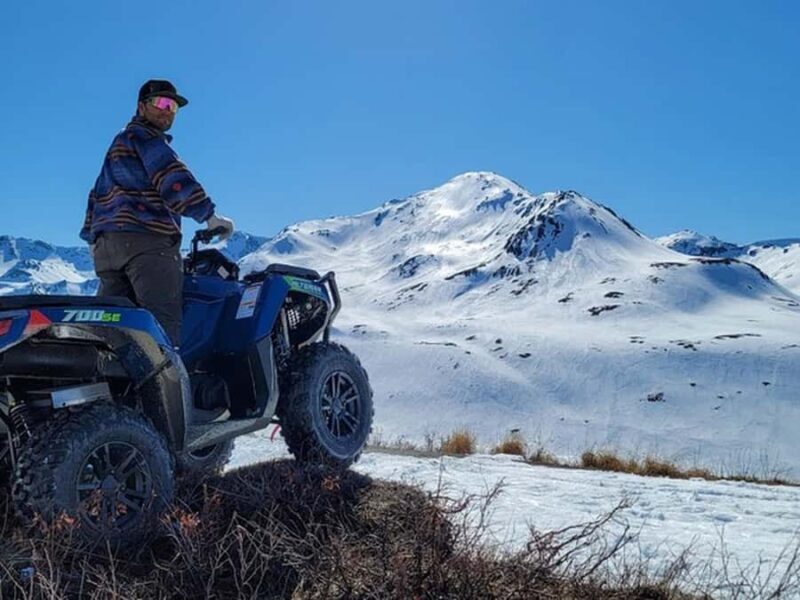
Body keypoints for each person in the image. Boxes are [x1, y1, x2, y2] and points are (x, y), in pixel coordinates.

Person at [80, 79, 234, 346]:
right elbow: (173, 179)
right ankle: (168, 387)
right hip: (147, 243)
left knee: (112, 327)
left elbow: (96, 193)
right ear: (141, 107)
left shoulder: (119, 143)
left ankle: (112, 384)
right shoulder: (145, 138)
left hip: (108, 251)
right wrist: (209, 216)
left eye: (173, 106)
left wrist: (91, 238)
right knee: (162, 324)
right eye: (161, 103)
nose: (168, 110)